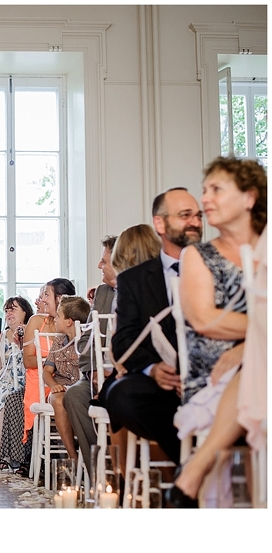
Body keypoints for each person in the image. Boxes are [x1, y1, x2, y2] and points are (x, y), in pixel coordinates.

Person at [166, 157, 265, 508]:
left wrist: (250, 346)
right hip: (213, 375)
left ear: (250, 198)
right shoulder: (199, 255)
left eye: (216, 190)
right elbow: (205, 318)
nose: (205, 199)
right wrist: (260, 339)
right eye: (205, 189)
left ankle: (192, 474)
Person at [104, 188, 203, 464]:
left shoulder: (217, 266)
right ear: (160, 224)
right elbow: (123, 342)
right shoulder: (134, 280)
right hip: (161, 381)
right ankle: (190, 464)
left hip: (209, 374)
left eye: (198, 215)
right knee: (120, 394)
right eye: (185, 215)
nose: (195, 222)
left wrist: (199, 374)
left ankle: (191, 475)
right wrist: (153, 369)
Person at [64, 234, 117, 471]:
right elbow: (86, 337)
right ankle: (98, 468)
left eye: (104, 261)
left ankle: (120, 465)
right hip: (96, 376)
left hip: (124, 373)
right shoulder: (103, 293)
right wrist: (93, 369)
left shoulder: (140, 291)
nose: (99, 266)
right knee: (74, 395)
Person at [22, 278, 76, 445]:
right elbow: (28, 360)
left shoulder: (73, 325)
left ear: (59, 298)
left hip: (70, 381)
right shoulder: (37, 321)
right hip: (42, 382)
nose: (42, 299)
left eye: (46, 294)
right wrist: (54, 362)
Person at [0, 296, 33, 471]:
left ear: (25, 312)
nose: (8, 313)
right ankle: (2, 453)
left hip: (28, 382)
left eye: (13, 309)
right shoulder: (2, 337)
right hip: (5, 383)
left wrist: (23, 342)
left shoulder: (32, 334)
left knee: (16, 396)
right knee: (5, 395)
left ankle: (4, 454)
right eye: (6, 310)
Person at [42, 296, 90, 461]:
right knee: (59, 400)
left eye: (58, 316)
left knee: (76, 400)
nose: (55, 320)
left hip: (82, 388)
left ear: (69, 321)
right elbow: (47, 371)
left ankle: (86, 450)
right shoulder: (58, 340)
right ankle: (72, 456)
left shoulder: (88, 340)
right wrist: (54, 385)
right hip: (61, 387)